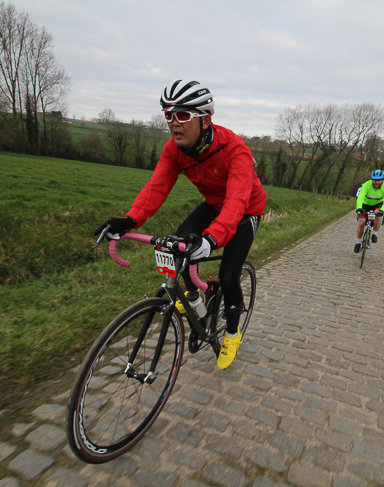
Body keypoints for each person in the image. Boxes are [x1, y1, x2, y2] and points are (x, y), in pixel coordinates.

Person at [95, 80, 267, 370]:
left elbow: (237, 201)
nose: (174, 123)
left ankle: (232, 333)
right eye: (169, 115)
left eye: (184, 116)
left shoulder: (234, 150)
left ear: (206, 119)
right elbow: (156, 187)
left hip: (245, 210)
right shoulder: (174, 149)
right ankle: (192, 296)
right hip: (213, 204)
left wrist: (211, 240)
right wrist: (130, 219)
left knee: (228, 276)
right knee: (177, 244)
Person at [354, 169, 384, 252]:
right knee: (361, 223)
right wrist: (359, 208)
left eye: (379, 180)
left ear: (382, 180)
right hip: (365, 204)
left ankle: (374, 234)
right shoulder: (367, 185)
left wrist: (382, 210)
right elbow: (360, 197)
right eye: (375, 180)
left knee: (378, 216)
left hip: (377, 205)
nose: (376, 182)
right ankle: (358, 242)